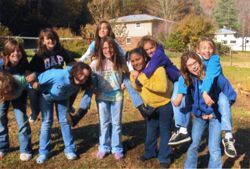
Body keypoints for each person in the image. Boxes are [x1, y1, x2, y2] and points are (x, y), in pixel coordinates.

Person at [69, 20, 150, 127]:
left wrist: (131, 70)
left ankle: (142, 108)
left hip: (116, 68)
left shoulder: (114, 43)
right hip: (100, 71)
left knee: (128, 80)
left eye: (105, 28)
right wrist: (76, 66)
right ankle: (80, 113)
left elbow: (125, 55)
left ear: (109, 31)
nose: (103, 30)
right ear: (97, 31)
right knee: (89, 85)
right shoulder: (95, 44)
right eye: (100, 28)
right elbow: (86, 55)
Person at [175, 37, 237, 158]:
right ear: (198, 50)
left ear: (214, 50)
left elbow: (209, 77)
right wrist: (179, 95)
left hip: (222, 92)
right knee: (187, 94)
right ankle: (182, 129)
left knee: (224, 103)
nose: (207, 51)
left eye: (210, 48)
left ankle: (228, 137)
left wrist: (204, 92)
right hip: (209, 92)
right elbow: (184, 75)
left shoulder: (214, 59)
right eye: (204, 48)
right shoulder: (197, 60)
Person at [137, 35, 191, 146]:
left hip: (179, 79)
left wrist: (139, 80)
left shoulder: (158, 55)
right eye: (146, 50)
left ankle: (183, 131)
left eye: (151, 47)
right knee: (175, 103)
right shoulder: (155, 55)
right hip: (174, 81)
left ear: (156, 46)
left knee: (176, 101)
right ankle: (178, 130)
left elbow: (150, 69)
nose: (149, 51)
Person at [35, 62, 92, 164]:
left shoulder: (79, 83)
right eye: (81, 74)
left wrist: (70, 106)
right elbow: (37, 80)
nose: (82, 78)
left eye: (86, 77)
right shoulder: (59, 75)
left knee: (65, 121)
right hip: (46, 96)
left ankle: (70, 149)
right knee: (47, 122)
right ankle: (43, 152)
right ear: (75, 72)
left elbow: (73, 92)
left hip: (63, 98)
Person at [129, 47, 173, 168]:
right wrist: (134, 78)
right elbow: (137, 88)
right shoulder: (136, 73)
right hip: (150, 106)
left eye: (137, 59)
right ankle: (150, 152)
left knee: (165, 131)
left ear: (145, 57)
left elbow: (163, 88)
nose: (135, 63)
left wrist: (143, 80)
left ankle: (164, 157)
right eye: (132, 61)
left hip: (164, 105)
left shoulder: (158, 69)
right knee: (151, 130)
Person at [90, 36, 128, 160]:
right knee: (104, 123)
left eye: (110, 47)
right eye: (105, 48)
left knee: (116, 124)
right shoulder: (95, 63)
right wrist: (94, 87)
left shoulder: (120, 62)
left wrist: (124, 82)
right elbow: (90, 77)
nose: (108, 50)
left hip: (117, 96)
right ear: (101, 49)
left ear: (115, 48)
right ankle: (104, 147)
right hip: (102, 97)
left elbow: (128, 73)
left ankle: (117, 148)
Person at [28, 28, 76, 123]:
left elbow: (71, 61)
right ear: (43, 41)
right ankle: (34, 112)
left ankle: (69, 105)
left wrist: (73, 68)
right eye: (48, 38)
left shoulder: (61, 51)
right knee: (31, 90)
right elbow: (30, 70)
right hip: (45, 84)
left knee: (76, 83)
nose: (51, 40)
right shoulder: (39, 55)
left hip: (59, 82)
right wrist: (33, 82)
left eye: (53, 38)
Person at [0, 39, 32, 161]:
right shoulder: (1, 64)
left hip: (19, 95)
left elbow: (30, 76)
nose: (16, 53)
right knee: (1, 118)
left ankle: (25, 149)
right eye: (12, 51)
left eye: (18, 50)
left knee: (21, 119)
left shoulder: (24, 63)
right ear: (7, 53)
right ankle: (2, 146)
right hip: (3, 95)